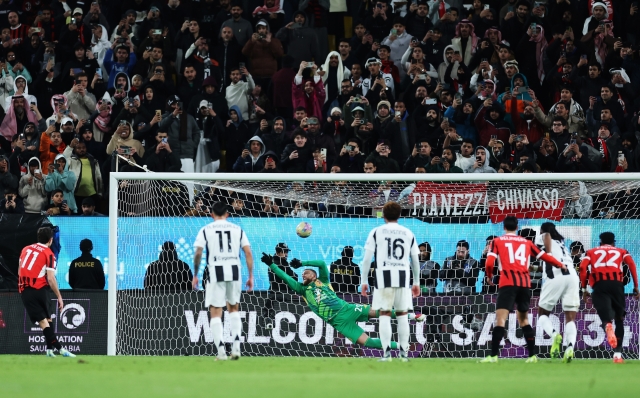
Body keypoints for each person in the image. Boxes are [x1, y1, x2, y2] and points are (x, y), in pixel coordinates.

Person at [261, 252, 425, 350]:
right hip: (338, 323)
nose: (303, 274)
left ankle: (412, 316)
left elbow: (321, 264)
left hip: (347, 309)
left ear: (315, 276)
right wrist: (272, 265)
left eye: (307, 273)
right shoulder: (301, 289)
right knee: (367, 343)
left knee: (380, 312)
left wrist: (303, 263)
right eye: (302, 274)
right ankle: (402, 346)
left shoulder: (323, 281)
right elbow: (284, 276)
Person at [481, 215, 566, 363]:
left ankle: (493, 356)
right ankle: (532, 356)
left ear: (504, 227)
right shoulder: (526, 242)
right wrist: (560, 265)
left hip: (507, 282)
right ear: (517, 227)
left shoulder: (497, 241)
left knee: (500, 320)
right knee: (524, 320)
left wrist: (489, 276)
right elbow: (545, 257)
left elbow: (489, 263)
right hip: (525, 284)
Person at [192, 202, 254, 361]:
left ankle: (221, 352)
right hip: (234, 271)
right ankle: (236, 348)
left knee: (215, 311)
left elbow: (198, 252)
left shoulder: (205, 230)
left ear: (211, 214)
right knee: (233, 309)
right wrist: (251, 276)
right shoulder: (237, 229)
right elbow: (248, 253)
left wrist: (196, 274)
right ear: (227, 214)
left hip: (216, 271)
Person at [361, 201, 420, 362]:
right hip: (402, 277)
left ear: (383, 216)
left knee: (384, 315)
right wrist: (416, 282)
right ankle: (404, 355)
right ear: (399, 215)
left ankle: (386, 354)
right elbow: (415, 260)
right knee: (402, 315)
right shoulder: (408, 233)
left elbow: (366, 259)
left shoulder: (376, 232)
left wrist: (364, 280)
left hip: (383, 277)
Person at [579, 232, 639, 364]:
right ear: (613, 242)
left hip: (600, 286)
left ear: (600, 242)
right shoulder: (622, 251)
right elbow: (632, 265)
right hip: (617, 285)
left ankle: (607, 325)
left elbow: (583, 267)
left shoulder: (590, 252)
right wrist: (636, 286)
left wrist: (584, 288)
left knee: (605, 317)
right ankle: (617, 355)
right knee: (619, 319)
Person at [18, 227, 75, 358]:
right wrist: (59, 296)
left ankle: (49, 350)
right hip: (41, 289)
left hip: (27, 289)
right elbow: (50, 278)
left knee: (47, 320)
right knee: (45, 321)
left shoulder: (25, 249)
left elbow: (20, 271)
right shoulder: (49, 254)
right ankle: (61, 349)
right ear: (50, 240)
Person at [533, 222, 580, 363]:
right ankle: (570, 347)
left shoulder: (545, 237)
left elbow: (546, 236)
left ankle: (555, 336)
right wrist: (533, 268)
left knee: (542, 314)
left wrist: (547, 254)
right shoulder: (561, 244)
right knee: (570, 317)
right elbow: (549, 263)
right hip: (572, 276)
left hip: (555, 276)